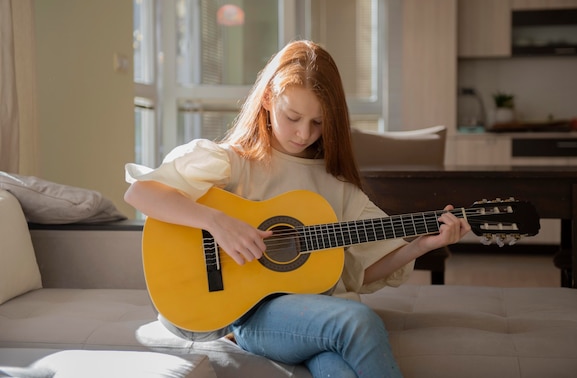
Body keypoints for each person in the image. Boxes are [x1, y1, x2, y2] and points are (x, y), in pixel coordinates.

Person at [124, 39, 471, 378]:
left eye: (318, 123)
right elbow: (142, 194)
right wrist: (217, 222)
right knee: (357, 320)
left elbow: (359, 273)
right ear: (267, 100)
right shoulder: (232, 163)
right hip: (250, 315)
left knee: (339, 365)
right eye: (292, 117)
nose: (304, 133)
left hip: (319, 316)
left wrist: (421, 246)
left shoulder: (338, 188)